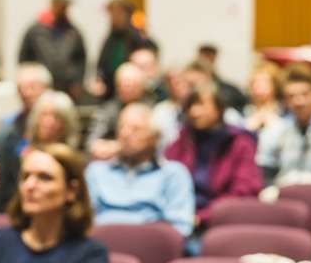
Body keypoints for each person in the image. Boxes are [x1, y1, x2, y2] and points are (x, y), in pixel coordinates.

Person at [86, 103, 195, 236]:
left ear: (155, 138)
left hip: (151, 248)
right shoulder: (96, 171)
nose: (125, 134)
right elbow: (82, 220)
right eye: (121, 127)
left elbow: (180, 228)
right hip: (99, 247)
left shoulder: (174, 174)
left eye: (135, 129)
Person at [163, 84, 261, 218]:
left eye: (201, 105)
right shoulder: (183, 139)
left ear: (219, 109)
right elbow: (164, 178)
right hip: (180, 213)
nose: (194, 112)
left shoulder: (239, 143)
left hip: (221, 217)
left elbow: (244, 191)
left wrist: (203, 216)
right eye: (191, 106)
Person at [0, 63, 53, 212]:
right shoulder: (8, 126)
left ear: (47, 89)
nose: (26, 93)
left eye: (32, 87)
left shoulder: (57, 119)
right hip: (13, 199)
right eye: (21, 88)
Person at [17, 0, 87, 98]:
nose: (63, 8)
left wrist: (77, 81)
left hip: (66, 88)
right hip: (41, 87)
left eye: (66, 5)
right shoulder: (35, 31)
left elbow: (81, 59)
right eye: (61, 5)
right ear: (53, 4)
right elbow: (24, 59)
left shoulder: (73, 32)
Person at [86, 63, 153, 160]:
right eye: (123, 84)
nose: (127, 88)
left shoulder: (152, 110)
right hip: (110, 161)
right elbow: (91, 143)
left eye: (131, 85)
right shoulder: (107, 110)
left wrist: (117, 147)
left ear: (142, 87)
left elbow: (150, 144)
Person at [95, 0, 148, 100]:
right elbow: (102, 62)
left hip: (131, 89)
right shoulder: (111, 37)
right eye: (111, 14)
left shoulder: (136, 36)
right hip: (110, 90)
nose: (114, 18)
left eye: (117, 13)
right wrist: (100, 78)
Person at [243, 62, 283, 134]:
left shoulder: (284, 112)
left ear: (275, 85)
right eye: (254, 81)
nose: (258, 85)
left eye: (264, 81)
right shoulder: (242, 112)